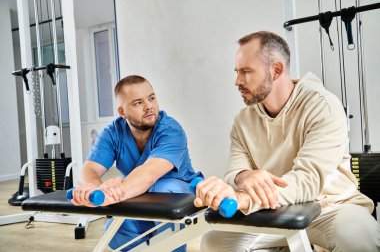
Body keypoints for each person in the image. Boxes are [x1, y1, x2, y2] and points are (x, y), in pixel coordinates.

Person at [193, 31, 380, 252]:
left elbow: (307, 181)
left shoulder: (323, 107)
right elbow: (235, 172)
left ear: (276, 70)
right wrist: (245, 176)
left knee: (359, 236)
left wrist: (243, 198)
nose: (237, 81)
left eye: (246, 72)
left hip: (330, 208)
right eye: (237, 72)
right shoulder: (243, 120)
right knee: (214, 242)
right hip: (274, 210)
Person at [71, 75, 202, 251]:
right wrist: (94, 189)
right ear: (122, 112)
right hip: (136, 192)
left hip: (177, 192)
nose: (149, 106)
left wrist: (110, 194)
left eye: (151, 98)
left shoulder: (171, 130)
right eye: (138, 103)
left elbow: (149, 174)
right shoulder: (112, 133)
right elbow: (90, 171)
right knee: (117, 232)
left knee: (161, 188)